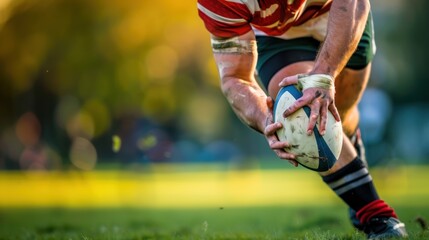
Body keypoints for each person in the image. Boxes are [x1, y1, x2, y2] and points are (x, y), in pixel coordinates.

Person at [197, 0, 408, 239]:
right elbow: (235, 77)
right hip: (280, 34)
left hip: (340, 11)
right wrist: (265, 119)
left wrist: (324, 75)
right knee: (299, 112)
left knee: (343, 115)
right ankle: (377, 216)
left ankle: (353, 165)